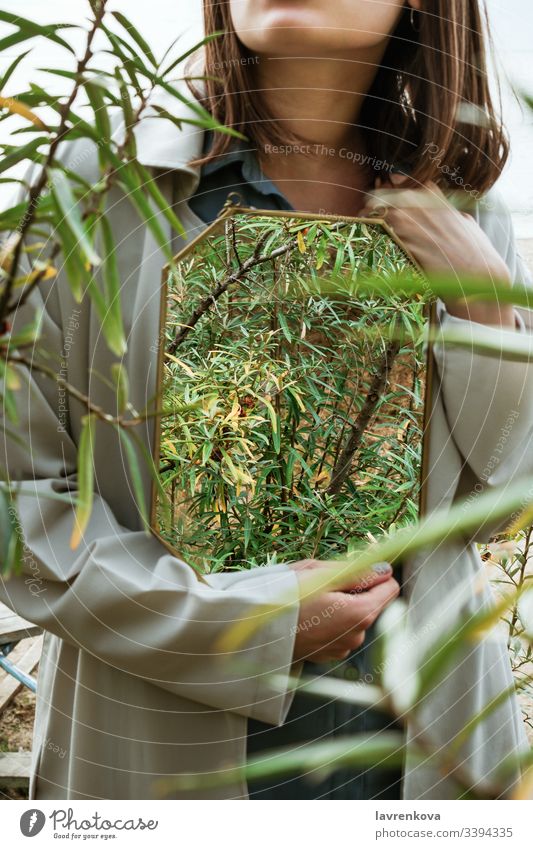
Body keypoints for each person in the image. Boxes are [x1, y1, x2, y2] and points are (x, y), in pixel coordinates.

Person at [1, 0, 531, 800]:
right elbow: (18, 503)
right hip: (152, 754)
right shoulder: (88, 182)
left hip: (429, 755)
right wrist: (250, 625)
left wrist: (487, 302)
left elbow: (492, 513)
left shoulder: (469, 208)